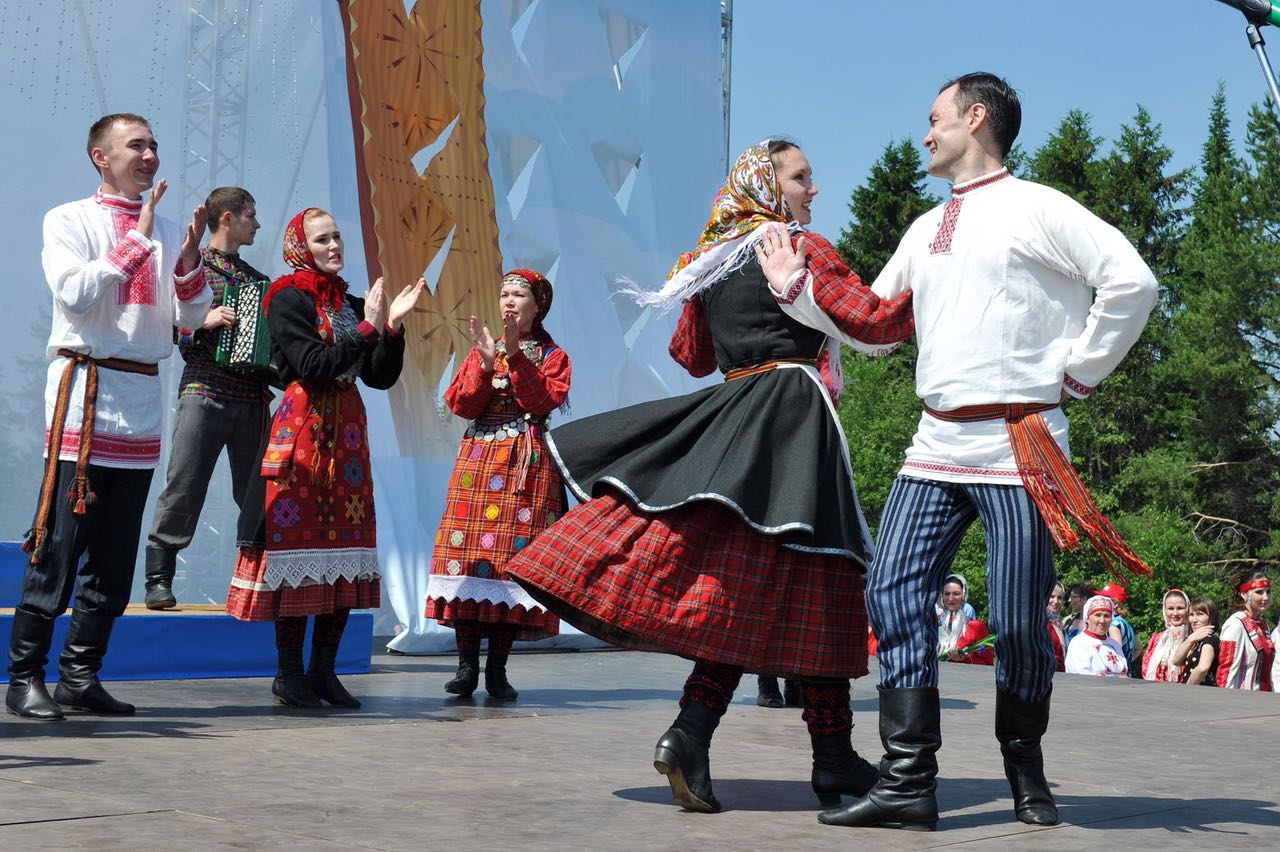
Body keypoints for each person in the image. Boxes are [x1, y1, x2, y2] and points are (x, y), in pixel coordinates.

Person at [768, 73, 1160, 832]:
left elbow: (1132, 282)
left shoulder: (1040, 207)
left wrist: (1078, 373)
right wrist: (799, 294)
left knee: (1017, 621)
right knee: (890, 591)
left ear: (975, 119)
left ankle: (1024, 762)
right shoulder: (925, 227)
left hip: (1022, 444)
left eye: (935, 119)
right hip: (935, 439)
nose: (925, 134)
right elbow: (877, 326)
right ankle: (910, 779)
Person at [504, 138, 916, 814]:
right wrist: (936, 281)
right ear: (767, 185)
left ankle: (725, 739)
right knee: (822, 579)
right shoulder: (798, 249)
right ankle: (816, 755)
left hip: (735, 419)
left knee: (764, 589)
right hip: (791, 415)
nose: (813, 190)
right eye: (800, 177)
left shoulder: (718, 261)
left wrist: (713, 284)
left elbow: (691, 355)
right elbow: (871, 320)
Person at [6, 113, 212, 720]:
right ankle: (24, 678)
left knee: (116, 554)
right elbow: (74, 293)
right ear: (101, 156)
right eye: (135, 145)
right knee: (60, 545)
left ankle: (80, 674)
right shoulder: (69, 219)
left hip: (142, 403)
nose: (149, 155)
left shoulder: (170, 228)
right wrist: (138, 241)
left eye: (153, 144)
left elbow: (194, 317)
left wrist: (189, 259)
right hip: (85, 397)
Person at [225, 208, 425, 708]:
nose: (334, 245)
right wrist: (366, 329)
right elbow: (313, 366)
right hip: (305, 431)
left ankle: (324, 671)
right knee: (298, 550)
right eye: (323, 239)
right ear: (301, 246)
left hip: (348, 438)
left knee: (344, 552)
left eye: (337, 236)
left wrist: (393, 328)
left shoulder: (350, 302)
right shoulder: (287, 298)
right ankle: (289, 672)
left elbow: (377, 377)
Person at [424, 269, 570, 701]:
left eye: (518, 294)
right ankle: (466, 666)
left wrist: (514, 356)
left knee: (510, 563)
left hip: (525, 464)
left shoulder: (553, 354)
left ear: (537, 304)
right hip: (478, 461)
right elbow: (461, 405)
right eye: (503, 292)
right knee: (469, 560)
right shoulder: (481, 350)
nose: (508, 300)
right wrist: (486, 365)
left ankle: (498, 670)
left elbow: (541, 401)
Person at [143, 187, 273, 609]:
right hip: (204, 389)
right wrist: (202, 324)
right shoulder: (191, 265)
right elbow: (163, 326)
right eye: (251, 215)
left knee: (257, 493)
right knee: (185, 483)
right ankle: (159, 578)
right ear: (228, 218)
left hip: (251, 396)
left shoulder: (255, 280)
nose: (257, 224)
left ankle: (262, 578)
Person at [1216, 569, 1274, 691]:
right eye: (1259, 592)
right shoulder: (1236, 624)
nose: (1265, 597)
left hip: (1263, 698)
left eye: (1268, 592)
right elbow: (1226, 670)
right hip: (1242, 700)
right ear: (1244, 594)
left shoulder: (1263, 625)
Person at [1064, 595, 1129, 677]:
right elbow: (1082, 678)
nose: (1102, 620)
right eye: (1097, 615)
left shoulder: (1114, 645)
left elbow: (1123, 674)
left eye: (1106, 616)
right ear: (1087, 618)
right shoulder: (1079, 643)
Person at [936, 575, 993, 665]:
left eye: (956, 594)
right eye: (947, 594)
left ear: (963, 596)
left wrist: (964, 659)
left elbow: (987, 662)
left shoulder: (975, 627)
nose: (950, 599)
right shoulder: (933, 624)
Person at [1140, 589, 1189, 683]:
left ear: (1187, 609)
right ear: (1164, 610)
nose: (1175, 613)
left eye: (1180, 608)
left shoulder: (1191, 638)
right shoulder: (1158, 638)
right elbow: (1146, 666)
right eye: (1170, 608)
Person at [1171, 597, 1220, 686]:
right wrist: (1190, 639)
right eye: (1191, 615)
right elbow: (1176, 661)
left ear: (1212, 617)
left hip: (1201, 694)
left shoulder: (1210, 639)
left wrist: (1188, 687)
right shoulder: (1197, 640)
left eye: (1200, 614)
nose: (1194, 620)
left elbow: (1203, 667)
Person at [1096, 582, 1137, 669]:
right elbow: (1138, 647)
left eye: (1105, 599)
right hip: (1126, 670)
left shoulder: (1113, 624)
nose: (1101, 601)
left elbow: (1116, 650)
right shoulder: (1124, 622)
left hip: (1117, 674)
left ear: (1115, 604)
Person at [1062, 582, 1095, 646]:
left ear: (1084, 599)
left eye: (1072, 597)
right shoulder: (1067, 621)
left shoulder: (1096, 622)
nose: (1069, 600)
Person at [1046, 582, 1066, 672]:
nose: (1056, 601)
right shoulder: (1038, 622)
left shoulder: (1059, 623)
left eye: (1060, 598)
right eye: (1052, 596)